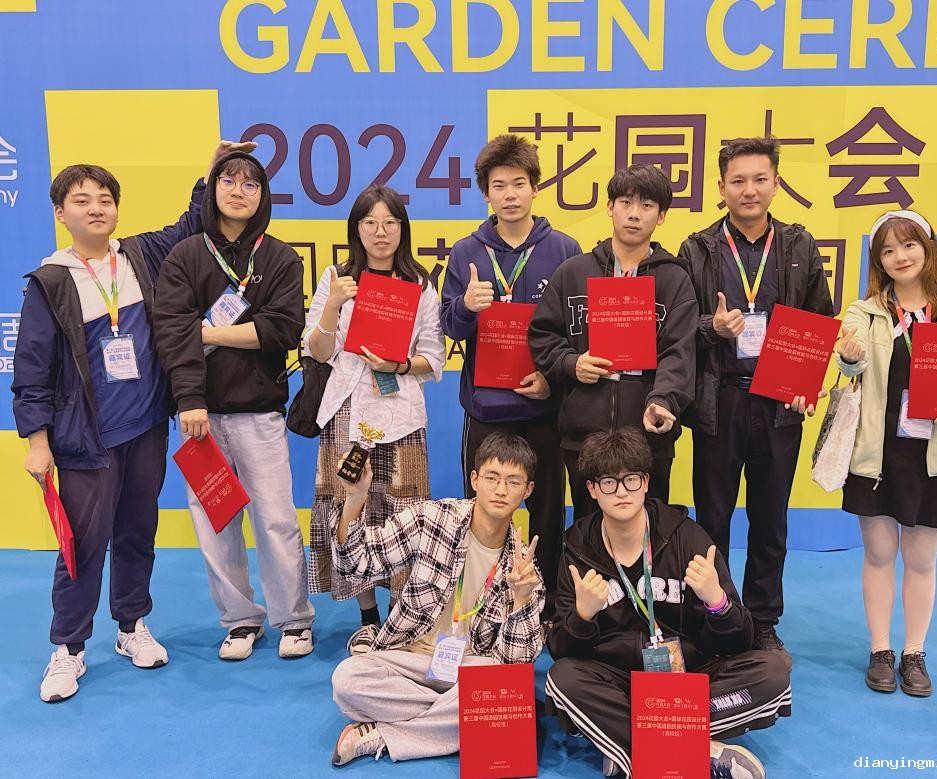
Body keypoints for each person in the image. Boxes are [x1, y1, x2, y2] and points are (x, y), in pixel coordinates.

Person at [14, 140, 251, 701]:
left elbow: (192, 222)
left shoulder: (140, 256)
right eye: (82, 200)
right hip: (85, 440)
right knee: (83, 544)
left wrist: (213, 169)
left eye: (105, 199)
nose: (96, 209)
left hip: (145, 428)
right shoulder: (51, 281)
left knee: (137, 532)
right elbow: (32, 370)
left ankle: (131, 626)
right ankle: (68, 648)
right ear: (60, 212)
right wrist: (37, 441)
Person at [545, 428, 790, 779]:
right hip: (617, 681)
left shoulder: (687, 537)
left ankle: (626, 745)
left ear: (645, 482)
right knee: (562, 681)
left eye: (631, 479)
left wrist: (717, 602)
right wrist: (582, 616)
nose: (622, 492)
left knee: (772, 673)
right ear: (592, 489)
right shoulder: (577, 548)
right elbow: (561, 650)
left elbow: (739, 641)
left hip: (687, 677)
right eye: (609, 483)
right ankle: (698, 750)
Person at [676, 137, 833, 665]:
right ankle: (714, 613)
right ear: (720, 188)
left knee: (771, 519)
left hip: (779, 402)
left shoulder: (799, 246)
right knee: (712, 519)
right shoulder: (697, 249)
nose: (749, 190)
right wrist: (712, 326)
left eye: (760, 179)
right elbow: (678, 325)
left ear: (776, 183)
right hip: (718, 400)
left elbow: (819, 320)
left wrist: (806, 383)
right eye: (738, 180)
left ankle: (763, 621)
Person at [153, 151, 315, 661]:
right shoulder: (185, 256)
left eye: (250, 184)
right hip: (200, 417)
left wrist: (207, 333)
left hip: (260, 414)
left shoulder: (280, 257)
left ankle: (294, 619)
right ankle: (241, 620)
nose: (238, 191)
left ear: (262, 196)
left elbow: (282, 330)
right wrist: (190, 399)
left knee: (275, 520)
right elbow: (171, 331)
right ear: (213, 187)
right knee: (215, 523)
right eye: (229, 180)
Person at [836, 210, 937, 697]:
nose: (899, 257)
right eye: (887, 250)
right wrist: (849, 355)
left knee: (922, 559)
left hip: (933, 454)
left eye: (908, 245)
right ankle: (881, 649)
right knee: (879, 553)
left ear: (928, 249)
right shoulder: (864, 312)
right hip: (877, 454)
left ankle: (914, 652)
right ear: (877, 260)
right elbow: (850, 363)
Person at [328, 432, 545, 767]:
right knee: (347, 679)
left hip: (470, 668)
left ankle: (384, 733)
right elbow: (355, 566)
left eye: (513, 481)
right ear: (474, 480)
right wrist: (355, 499)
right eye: (492, 477)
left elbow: (514, 667)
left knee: (507, 687)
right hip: (410, 658)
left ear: (527, 490)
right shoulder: (432, 519)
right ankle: (462, 718)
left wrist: (521, 600)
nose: (501, 490)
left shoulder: (525, 569)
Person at [441, 134, 581, 619]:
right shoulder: (467, 252)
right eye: (499, 186)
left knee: (547, 512)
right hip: (487, 408)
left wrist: (551, 379)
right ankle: (479, 606)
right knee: (484, 510)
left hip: (544, 407)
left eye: (519, 184)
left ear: (535, 188)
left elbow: (578, 329)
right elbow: (448, 327)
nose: (510, 195)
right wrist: (466, 306)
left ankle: (543, 608)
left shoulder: (564, 249)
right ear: (486, 193)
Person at [304, 185, 445, 653]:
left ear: (402, 229)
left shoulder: (420, 284)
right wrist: (332, 305)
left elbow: (434, 357)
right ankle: (367, 617)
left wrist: (398, 365)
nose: (380, 232)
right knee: (348, 505)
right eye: (370, 223)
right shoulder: (337, 278)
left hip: (401, 414)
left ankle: (404, 620)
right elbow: (317, 351)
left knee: (406, 512)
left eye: (390, 223)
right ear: (356, 229)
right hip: (347, 412)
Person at [529, 164, 697, 519]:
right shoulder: (573, 272)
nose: (635, 214)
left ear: (661, 216)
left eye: (647, 205)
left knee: (648, 529)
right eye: (625, 202)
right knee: (587, 529)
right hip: (584, 435)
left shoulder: (675, 279)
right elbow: (543, 335)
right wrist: (571, 363)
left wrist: (662, 399)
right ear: (610, 207)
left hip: (647, 434)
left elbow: (679, 351)